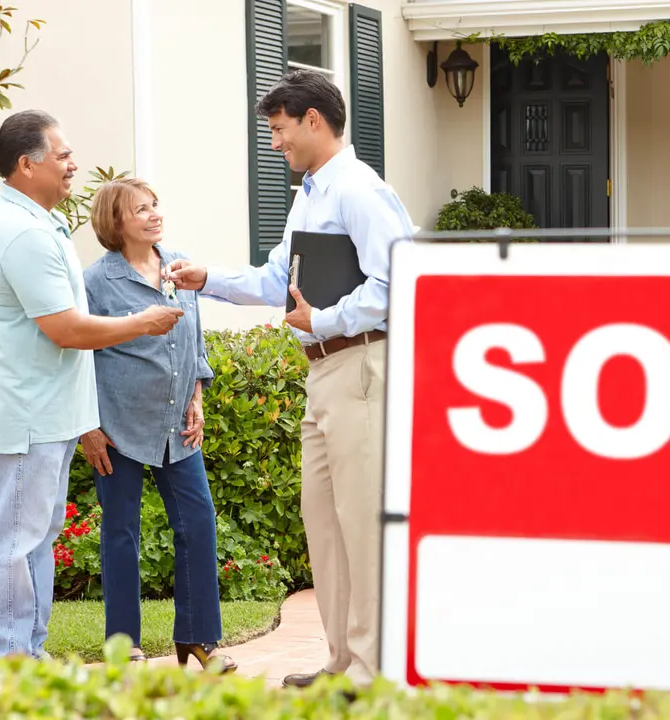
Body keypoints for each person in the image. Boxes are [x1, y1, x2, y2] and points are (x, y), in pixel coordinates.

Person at [165, 69, 415, 689]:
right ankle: (341, 661)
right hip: (324, 371)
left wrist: (324, 317)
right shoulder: (311, 192)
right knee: (324, 523)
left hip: (362, 364)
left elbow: (400, 278)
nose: (274, 142)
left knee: (361, 523)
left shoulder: (358, 189)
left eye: (278, 130)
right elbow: (280, 278)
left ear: (313, 120)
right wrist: (209, 279)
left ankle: (372, 672)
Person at [0, 110, 183, 662]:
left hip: (49, 413)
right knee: (13, 539)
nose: (73, 165)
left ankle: (26, 652)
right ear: (26, 164)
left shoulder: (41, 223)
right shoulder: (20, 232)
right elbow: (64, 329)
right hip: (26, 414)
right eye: (62, 156)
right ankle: (0, 657)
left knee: (35, 537)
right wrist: (143, 322)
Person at [79, 177, 236, 673]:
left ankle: (199, 639)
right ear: (115, 222)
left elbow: (195, 340)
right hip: (118, 426)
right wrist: (88, 426)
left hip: (177, 425)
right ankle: (123, 642)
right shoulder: (96, 282)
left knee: (198, 521)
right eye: (139, 209)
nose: (153, 214)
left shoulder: (180, 266)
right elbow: (78, 356)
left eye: (154, 205)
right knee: (121, 532)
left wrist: (197, 396)